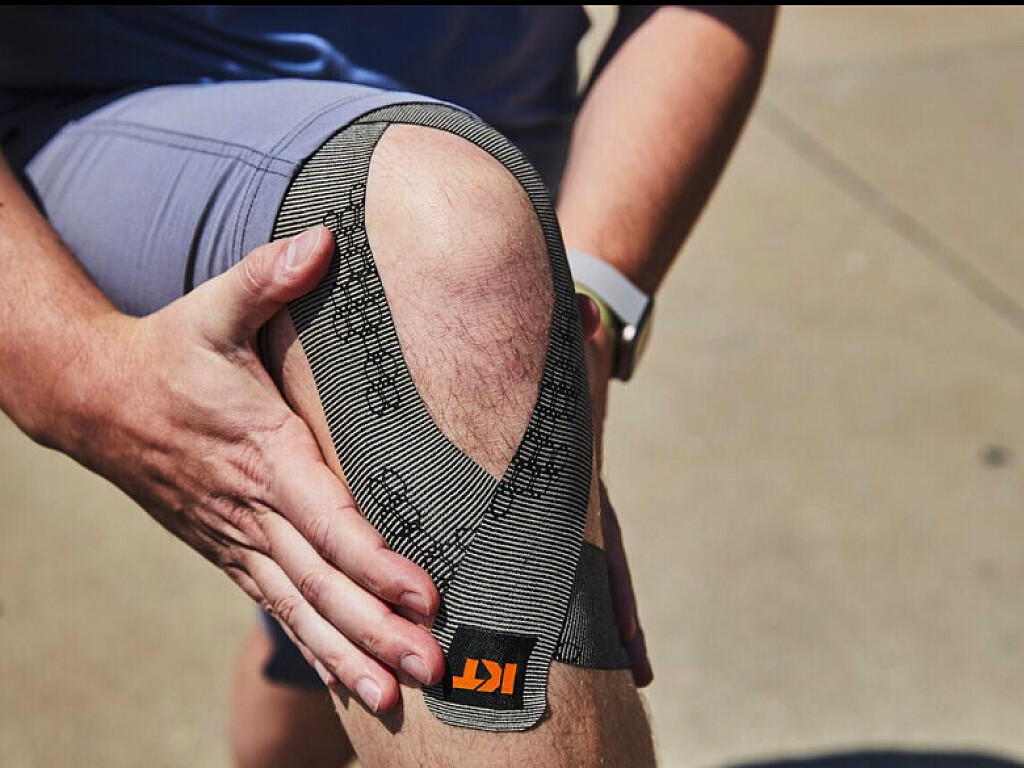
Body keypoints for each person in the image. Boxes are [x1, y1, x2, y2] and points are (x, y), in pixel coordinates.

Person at [0, 6, 775, 767]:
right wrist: (75, 366)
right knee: (441, 241)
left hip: (498, 127)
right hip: (117, 101)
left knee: (346, 626)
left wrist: (591, 306)